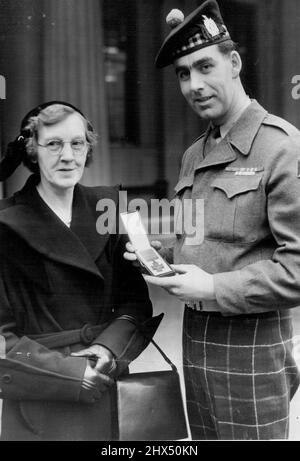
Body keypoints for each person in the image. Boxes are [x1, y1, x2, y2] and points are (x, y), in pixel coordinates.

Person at [125, 0, 300, 440]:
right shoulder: (195, 153)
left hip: (253, 346)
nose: (194, 84)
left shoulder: (281, 147)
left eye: (204, 66)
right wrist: (157, 255)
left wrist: (215, 287)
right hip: (197, 337)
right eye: (184, 73)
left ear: (235, 62)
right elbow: (205, 238)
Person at [0, 101, 161, 441]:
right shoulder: (5, 223)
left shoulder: (111, 207)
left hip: (106, 381)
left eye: (77, 143)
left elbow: (135, 304)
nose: (68, 156)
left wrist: (106, 350)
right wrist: (72, 373)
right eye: (54, 144)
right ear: (32, 150)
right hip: (40, 394)